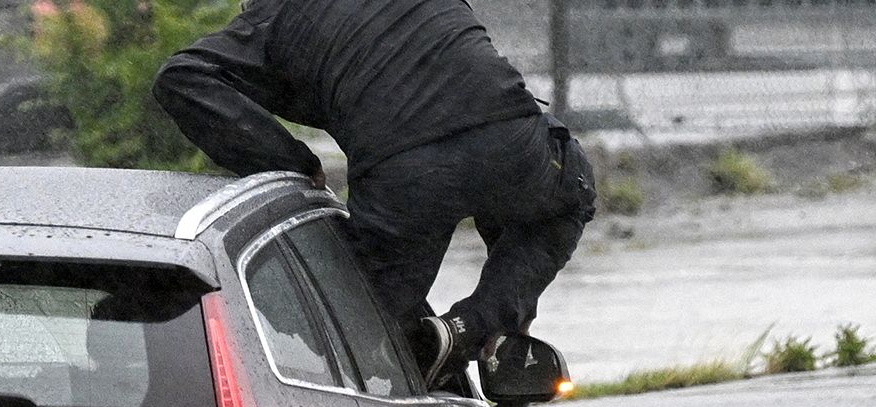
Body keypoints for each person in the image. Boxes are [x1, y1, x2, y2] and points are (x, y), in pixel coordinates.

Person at [152, 0, 598, 387]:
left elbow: (182, 76)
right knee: (569, 195)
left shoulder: (276, 16)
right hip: (508, 141)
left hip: (403, 180)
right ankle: (468, 329)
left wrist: (291, 163)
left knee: (355, 333)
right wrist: (504, 302)